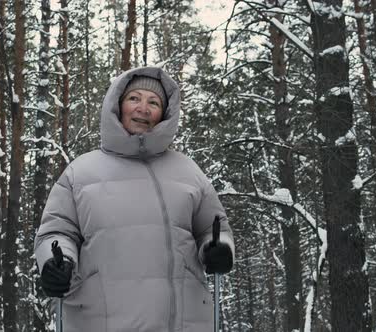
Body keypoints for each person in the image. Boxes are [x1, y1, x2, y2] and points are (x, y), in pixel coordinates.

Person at [34, 66, 235, 332]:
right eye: (134, 98)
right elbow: (56, 233)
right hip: (99, 322)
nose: (143, 108)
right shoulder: (80, 172)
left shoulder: (188, 171)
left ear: (164, 113)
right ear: (117, 105)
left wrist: (218, 248)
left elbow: (213, 228)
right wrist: (54, 263)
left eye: (154, 102)